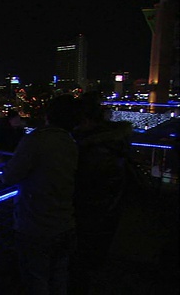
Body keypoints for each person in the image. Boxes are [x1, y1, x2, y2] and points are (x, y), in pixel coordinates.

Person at [2, 94, 79, 294]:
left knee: (36, 280)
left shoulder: (36, 140)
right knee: (59, 277)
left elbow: (10, 176)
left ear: (47, 115)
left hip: (35, 224)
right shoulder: (71, 142)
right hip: (65, 221)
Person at [70, 92, 133, 294]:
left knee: (81, 266)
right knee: (92, 263)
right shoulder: (113, 142)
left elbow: (84, 186)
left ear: (86, 120)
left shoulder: (92, 149)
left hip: (90, 216)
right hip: (108, 212)